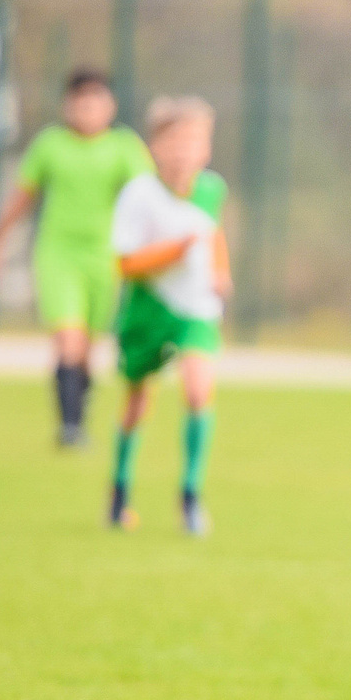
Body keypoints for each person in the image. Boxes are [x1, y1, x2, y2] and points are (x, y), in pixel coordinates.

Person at [0, 69, 152, 447]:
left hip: (106, 258)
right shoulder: (51, 145)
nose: (88, 110)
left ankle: (78, 413)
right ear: (67, 106)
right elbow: (20, 200)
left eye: (96, 102)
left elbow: (148, 201)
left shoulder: (123, 147)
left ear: (110, 106)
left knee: (88, 348)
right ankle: (70, 428)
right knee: (68, 340)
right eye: (80, 102)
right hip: (58, 253)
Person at [107, 95, 230, 537]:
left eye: (195, 141)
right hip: (148, 308)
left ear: (207, 148)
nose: (184, 150)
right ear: (155, 146)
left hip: (196, 309)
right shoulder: (139, 194)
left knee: (199, 392)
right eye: (175, 140)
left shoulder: (212, 188)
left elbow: (212, 233)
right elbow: (124, 263)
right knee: (137, 401)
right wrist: (171, 253)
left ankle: (191, 496)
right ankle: (120, 490)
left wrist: (221, 271)